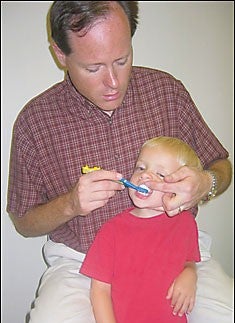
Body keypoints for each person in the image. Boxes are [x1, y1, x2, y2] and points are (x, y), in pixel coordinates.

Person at [6, 1, 233, 323]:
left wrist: (205, 183)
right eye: (93, 68)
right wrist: (70, 204)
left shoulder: (166, 92)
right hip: (81, 264)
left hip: (176, 250)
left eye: (122, 60)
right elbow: (23, 221)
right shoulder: (35, 122)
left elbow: (221, 164)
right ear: (61, 55)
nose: (113, 82)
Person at [80, 136, 202, 323]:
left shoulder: (186, 223)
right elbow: (100, 290)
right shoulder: (111, 231)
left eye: (161, 174)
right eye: (141, 168)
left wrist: (190, 274)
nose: (144, 176)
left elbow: (188, 259)